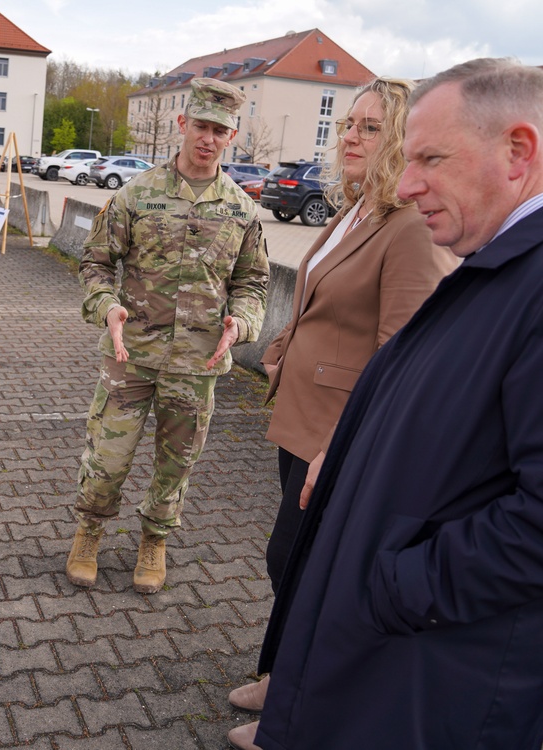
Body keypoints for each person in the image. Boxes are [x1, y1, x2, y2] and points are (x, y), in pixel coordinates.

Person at [249, 58, 543, 749]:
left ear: (519, 151)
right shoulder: (496, 264)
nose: (408, 184)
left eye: (431, 159)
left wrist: (396, 586)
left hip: (440, 662)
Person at [224, 78, 458, 749]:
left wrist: (353, 442)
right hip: (299, 414)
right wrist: (284, 347)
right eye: (348, 124)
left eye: (369, 127)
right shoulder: (356, 210)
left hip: (340, 431)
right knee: (292, 564)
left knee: (299, 564)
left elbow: (401, 348)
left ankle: (298, 712)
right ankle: (279, 673)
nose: (349, 136)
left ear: (404, 140)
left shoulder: (408, 226)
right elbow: (321, 301)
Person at [66, 77, 270, 595]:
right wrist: (107, 306)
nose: (208, 137)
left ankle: (154, 540)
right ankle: (88, 531)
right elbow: (95, 262)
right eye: (201, 125)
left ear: (233, 135)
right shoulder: (135, 195)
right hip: (129, 356)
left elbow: (253, 282)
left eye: (220, 130)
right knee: (108, 459)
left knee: (176, 465)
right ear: (182, 125)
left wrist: (241, 323)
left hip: (196, 364)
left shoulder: (242, 210)